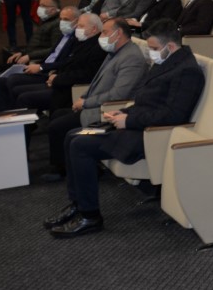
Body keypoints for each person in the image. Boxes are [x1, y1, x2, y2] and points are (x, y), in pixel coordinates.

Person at [45, 19, 205, 238]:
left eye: (154, 48)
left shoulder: (187, 71)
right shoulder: (167, 61)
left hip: (149, 135)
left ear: (170, 46)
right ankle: (77, 204)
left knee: (80, 145)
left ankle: (90, 216)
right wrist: (123, 112)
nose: (151, 53)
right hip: (135, 125)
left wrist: (129, 121)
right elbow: (144, 100)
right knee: (73, 135)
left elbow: (174, 115)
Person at [42, 18, 149, 181]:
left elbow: (118, 94)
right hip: (96, 105)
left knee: (58, 126)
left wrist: (86, 103)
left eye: (105, 32)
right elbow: (96, 82)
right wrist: (84, 97)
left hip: (107, 110)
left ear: (118, 33)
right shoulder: (115, 52)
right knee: (58, 114)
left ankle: (63, 169)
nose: (101, 36)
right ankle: (68, 165)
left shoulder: (131, 57)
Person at [0, 5, 80, 110]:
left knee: (12, 80)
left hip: (50, 72)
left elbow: (67, 62)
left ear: (76, 21)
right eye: (61, 19)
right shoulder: (64, 34)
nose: (62, 22)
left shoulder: (76, 38)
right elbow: (50, 53)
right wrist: (28, 57)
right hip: (42, 66)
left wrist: (41, 67)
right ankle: (4, 114)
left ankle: (15, 115)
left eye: (66, 19)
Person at [14, 12, 107, 112]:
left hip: (71, 89)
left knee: (24, 97)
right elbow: (68, 62)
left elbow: (85, 74)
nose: (77, 28)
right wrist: (55, 75)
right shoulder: (82, 41)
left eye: (81, 26)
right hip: (60, 81)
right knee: (17, 90)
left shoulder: (98, 48)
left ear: (94, 29)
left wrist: (57, 78)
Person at [1, 0, 63, 71]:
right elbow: (36, 46)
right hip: (31, 57)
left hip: (37, 62)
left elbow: (55, 49)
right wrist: (22, 53)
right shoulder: (47, 21)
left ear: (53, 9)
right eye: (40, 5)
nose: (39, 8)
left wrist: (29, 56)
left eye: (43, 6)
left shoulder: (57, 24)